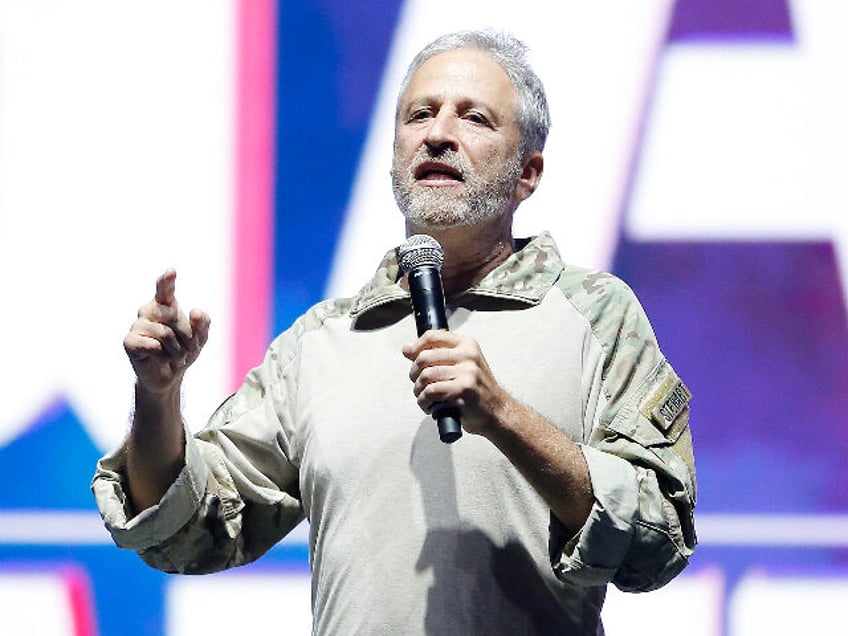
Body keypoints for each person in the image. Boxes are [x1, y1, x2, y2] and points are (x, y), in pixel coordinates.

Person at [93, 30, 697, 635]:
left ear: (527, 173)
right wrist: (158, 395)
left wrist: (503, 416)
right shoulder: (323, 341)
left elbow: (658, 540)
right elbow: (185, 532)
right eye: (420, 115)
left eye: (475, 118)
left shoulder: (594, 315)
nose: (438, 134)